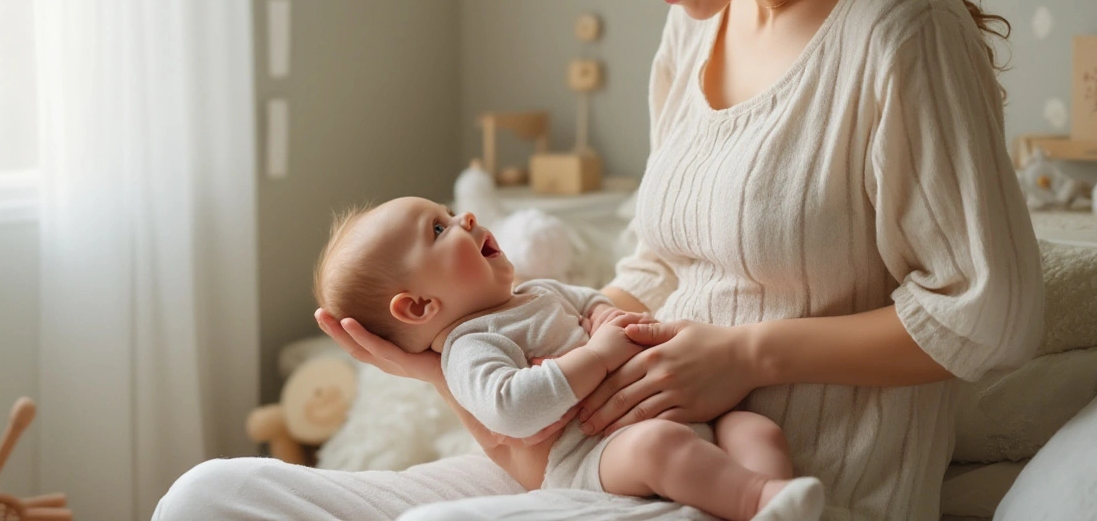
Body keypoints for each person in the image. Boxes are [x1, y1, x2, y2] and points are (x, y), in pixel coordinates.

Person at [153, 0, 1043, 519]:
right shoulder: (699, 27)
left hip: (769, 481)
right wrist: (463, 360)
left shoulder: (898, 28)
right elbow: (655, 265)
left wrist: (746, 356)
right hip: (604, 456)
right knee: (212, 498)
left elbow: (987, 312)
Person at [311, 196, 825, 521]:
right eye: (439, 231)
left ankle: (781, 500)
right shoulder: (471, 346)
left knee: (755, 430)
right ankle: (755, 502)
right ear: (421, 306)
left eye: (448, 212)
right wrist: (599, 354)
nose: (464, 217)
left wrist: (603, 316)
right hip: (587, 458)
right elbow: (511, 409)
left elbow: (592, 301)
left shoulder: (535, 292)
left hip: (667, 415)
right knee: (660, 447)